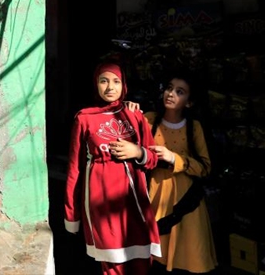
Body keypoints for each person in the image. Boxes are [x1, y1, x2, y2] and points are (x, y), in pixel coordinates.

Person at [64, 62, 162, 275]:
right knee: (113, 267)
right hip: (102, 205)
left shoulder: (135, 116)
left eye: (116, 81)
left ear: (124, 85)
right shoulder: (84, 119)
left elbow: (153, 158)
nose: (110, 87)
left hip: (135, 204)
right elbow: (74, 169)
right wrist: (72, 214)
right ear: (95, 85)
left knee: (142, 263)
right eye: (104, 81)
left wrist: (137, 152)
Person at [143, 73, 217, 274]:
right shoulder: (148, 120)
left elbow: (205, 167)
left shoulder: (194, 128)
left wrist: (174, 158)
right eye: (169, 88)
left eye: (180, 91)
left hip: (188, 202)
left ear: (190, 102)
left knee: (189, 258)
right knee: (156, 260)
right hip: (156, 197)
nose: (171, 94)